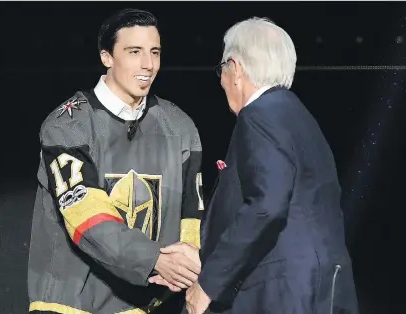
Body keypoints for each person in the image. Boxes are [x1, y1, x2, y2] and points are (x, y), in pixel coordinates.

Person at [156, 17, 360, 314]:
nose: (222, 79)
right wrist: (205, 256)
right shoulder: (297, 117)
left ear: (235, 69)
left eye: (222, 69)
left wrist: (208, 284)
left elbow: (267, 206)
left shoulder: (259, 116)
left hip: (284, 294)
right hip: (319, 286)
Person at [27, 8, 204, 314]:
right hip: (72, 304)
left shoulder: (180, 126)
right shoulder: (68, 127)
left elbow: (192, 214)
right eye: (134, 52)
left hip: (151, 303)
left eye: (155, 52)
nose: (148, 65)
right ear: (106, 57)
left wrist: (188, 267)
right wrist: (155, 261)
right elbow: (87, 217)